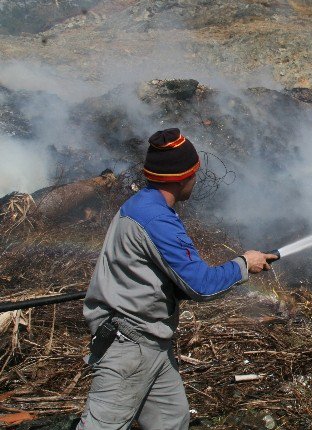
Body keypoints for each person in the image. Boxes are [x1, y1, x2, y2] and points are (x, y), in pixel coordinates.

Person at [77, 128, 277, 430]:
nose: (196, 179)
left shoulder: (143, 205)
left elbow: (165, 278)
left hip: (152, 341)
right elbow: (201, 285)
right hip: (130, 346)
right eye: (194, 173)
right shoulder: (157, 220)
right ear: (181, 178)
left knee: (171, 420)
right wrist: (244, 264)